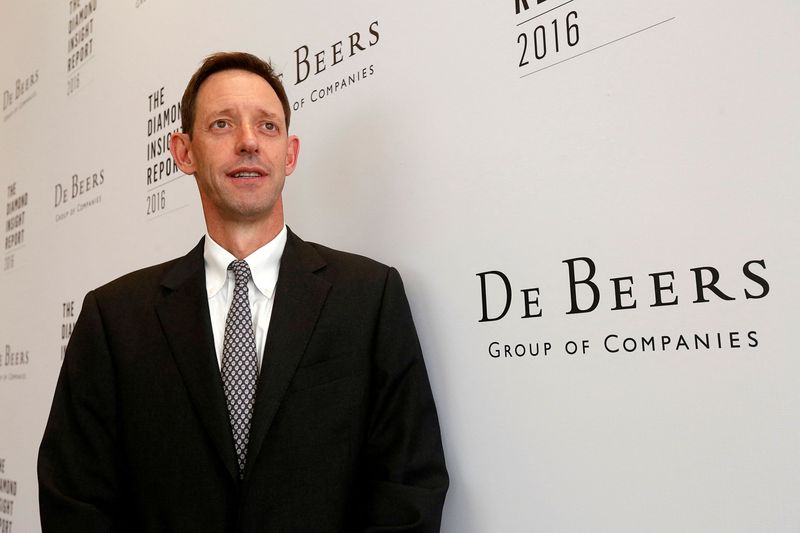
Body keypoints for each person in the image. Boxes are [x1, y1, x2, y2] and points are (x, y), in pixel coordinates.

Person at [38, 51, 448, 532]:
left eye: (268, 127)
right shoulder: (114, 319)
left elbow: (409, 486)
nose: (249, 142)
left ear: (289, 154)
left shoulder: (369, 297)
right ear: (184, 152)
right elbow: (75, 501)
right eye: (222, 125)